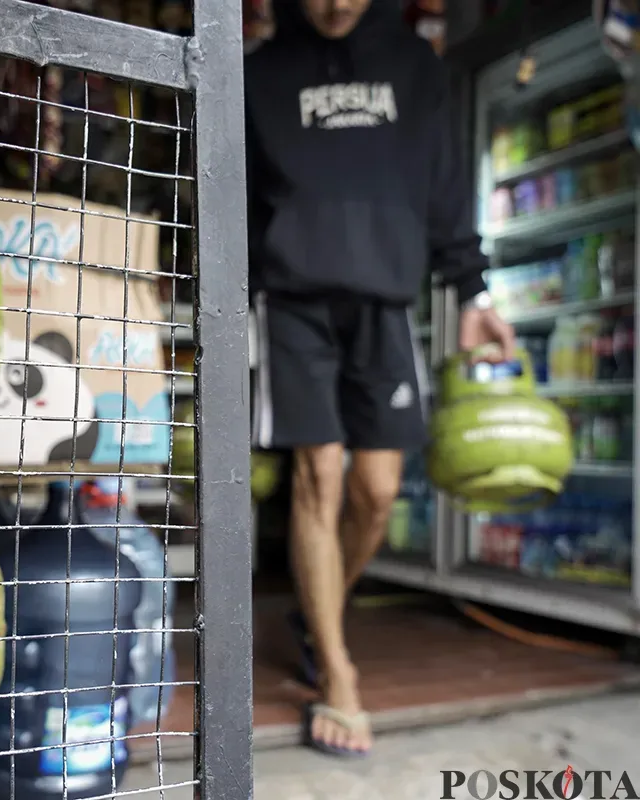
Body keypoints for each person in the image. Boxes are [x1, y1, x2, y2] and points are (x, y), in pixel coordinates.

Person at [244, 0, 516, 757]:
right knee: (319, 476)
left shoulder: (415, 68)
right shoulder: (258, 76)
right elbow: (231, 200)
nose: (334, 4)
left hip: (385, 301)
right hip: (291, 302)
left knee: (378, 492)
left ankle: (314, 609)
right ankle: (338, 673)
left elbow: (444, 190)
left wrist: (474, 293)